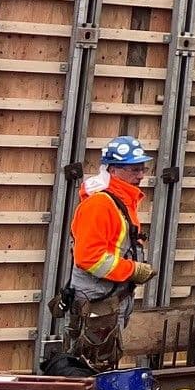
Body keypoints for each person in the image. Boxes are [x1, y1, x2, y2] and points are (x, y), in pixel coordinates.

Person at [63, 135, 157, 371]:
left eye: (142, 168)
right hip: (96, 302)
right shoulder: (101, 205)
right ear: (113, 170)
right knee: (89, 366)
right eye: (134, 169)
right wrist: (133, 270)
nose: (141, 175)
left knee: (102, 362)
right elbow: (89, 258)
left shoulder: (121, 201)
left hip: (108, 301)